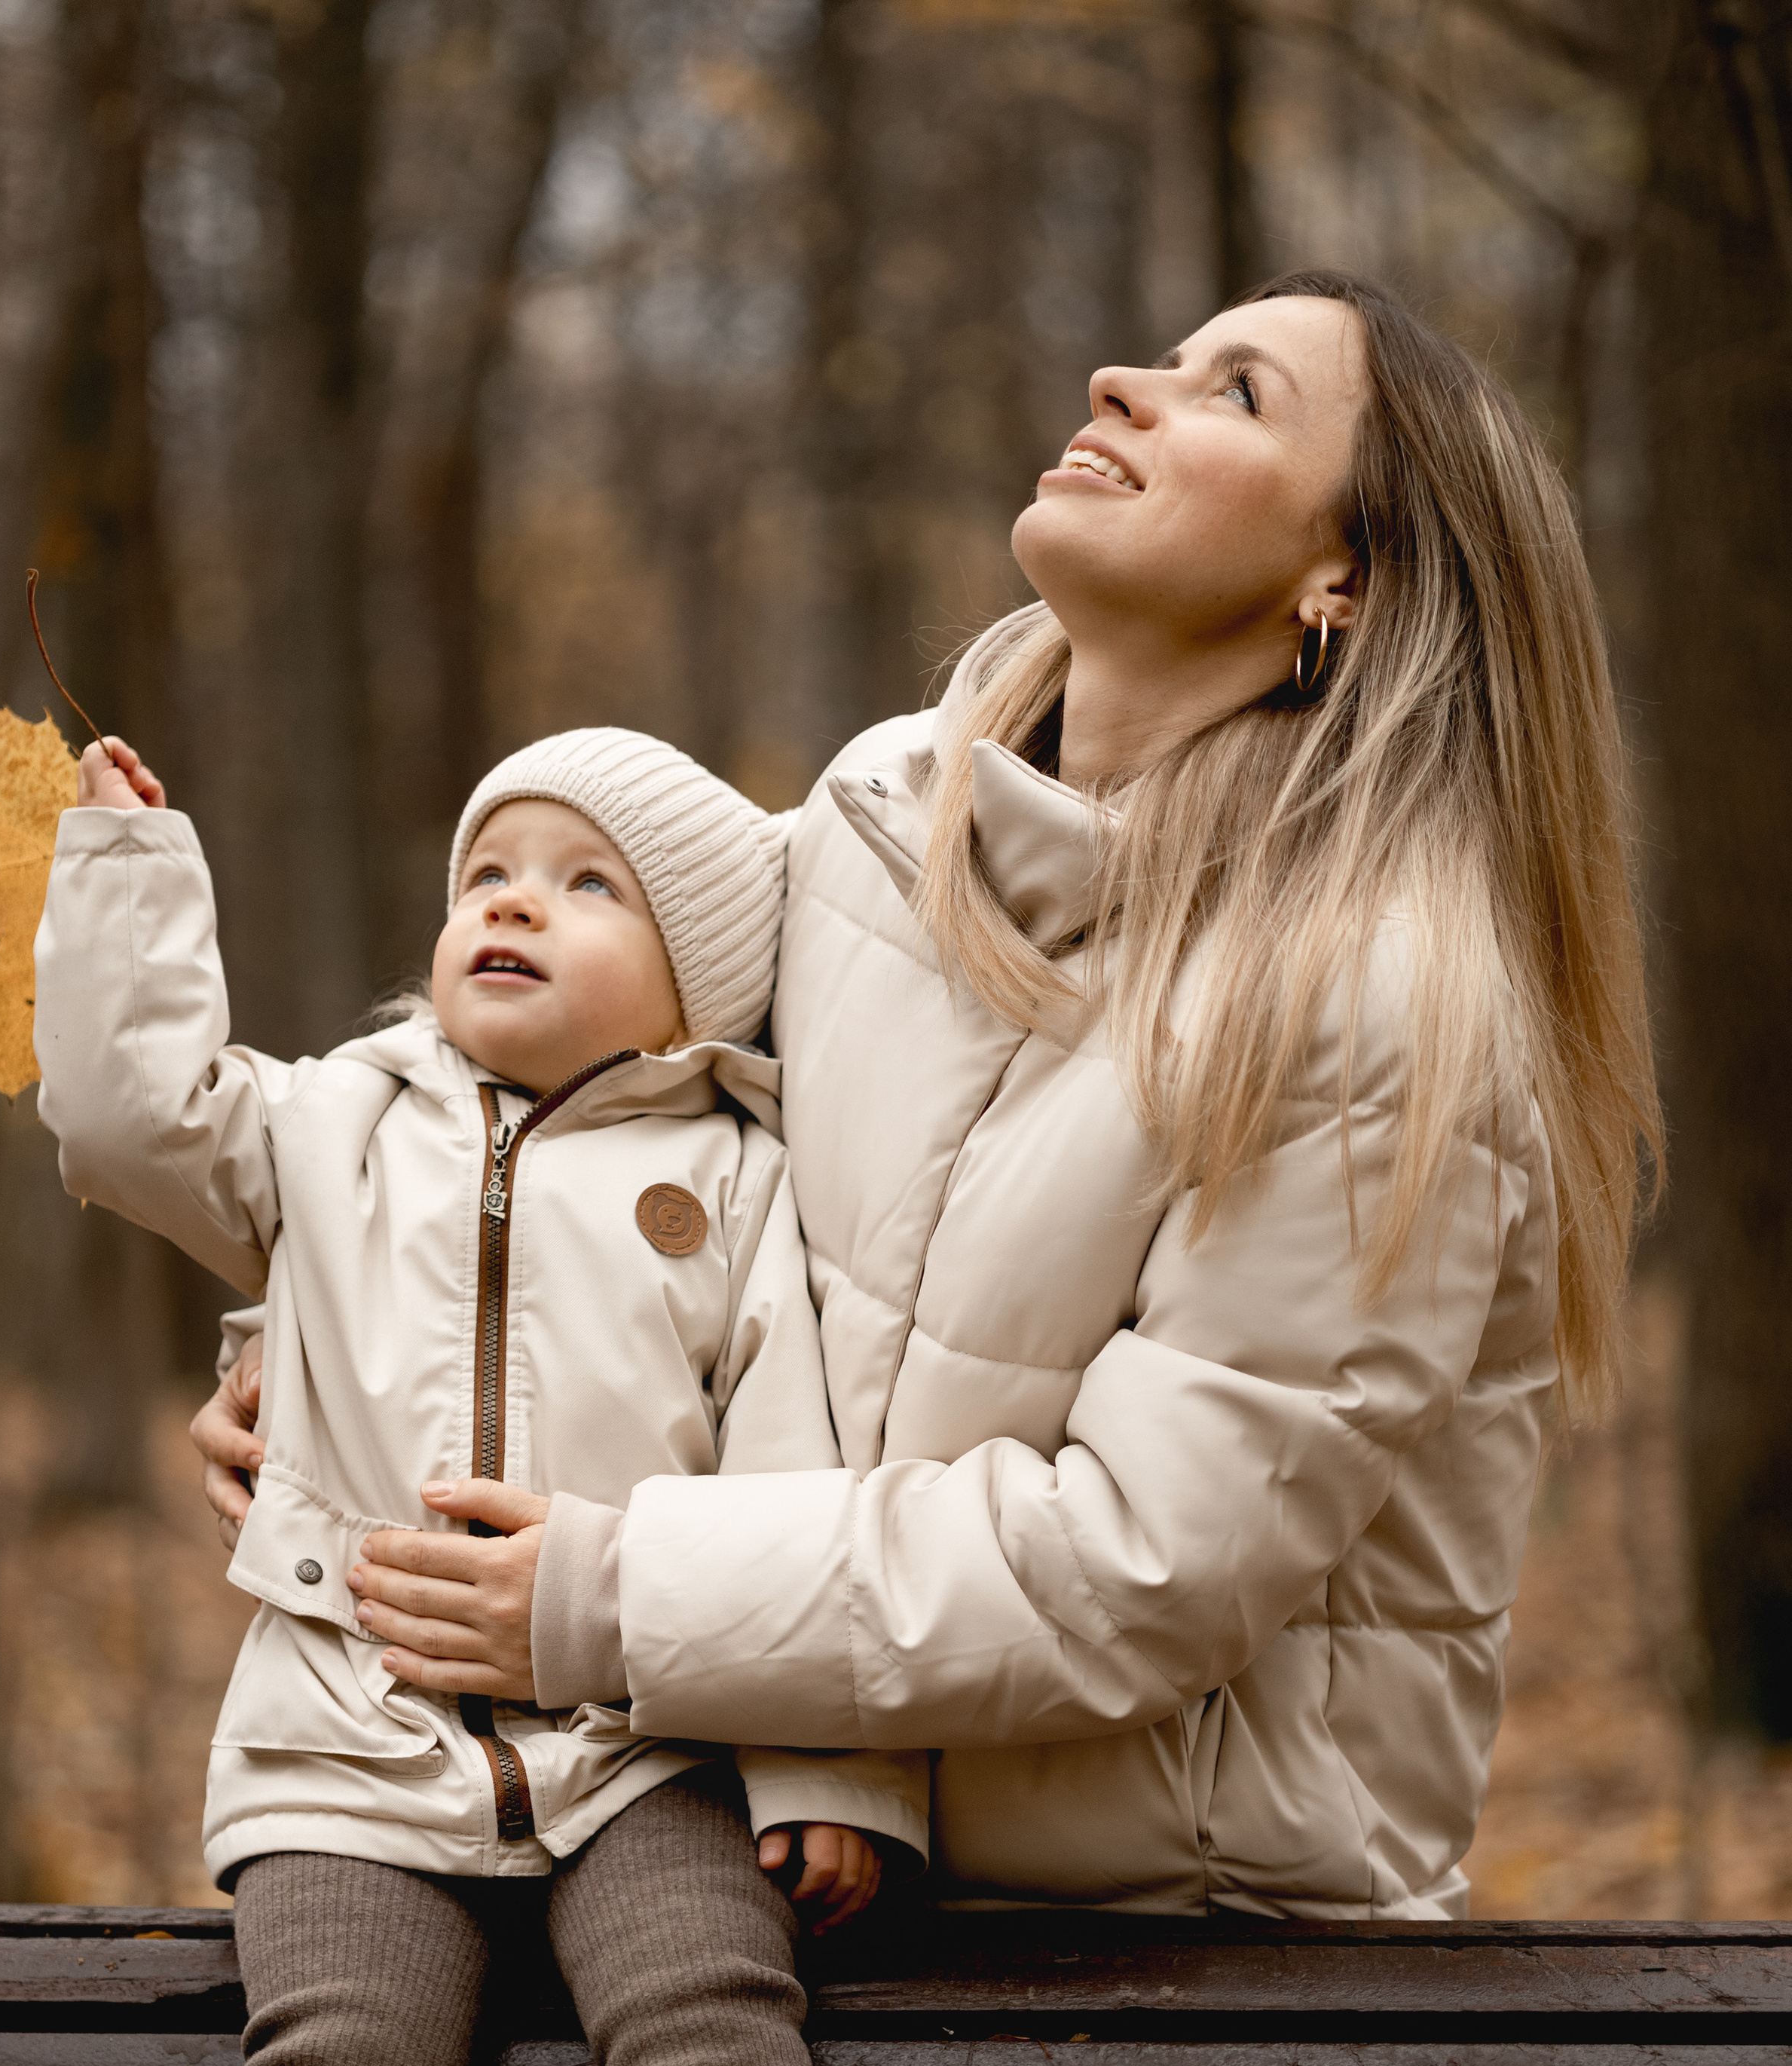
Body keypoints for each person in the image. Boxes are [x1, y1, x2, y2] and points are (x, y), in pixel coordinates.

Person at [198, 271, 1659, 1930]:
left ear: (1347, 576)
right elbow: (590, 1138)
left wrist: (604, 1597)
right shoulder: (871, 825)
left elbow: (1137, 1570)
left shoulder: (1375, 1003)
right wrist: (335, 1353)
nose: (1118, 380)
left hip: (1195, 1968)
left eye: (1233, 393)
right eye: (1160, 362)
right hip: (803, 1879)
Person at [33, 723, 926, 2066]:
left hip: (645, 1732)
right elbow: (122, 1121)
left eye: (584, 880)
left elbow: (800, 1491)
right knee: (338, 2064)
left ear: (698, 977)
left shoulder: (745, 1179)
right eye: (487, 871)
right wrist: (123, 888)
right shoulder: (334, 1124)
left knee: (710, 1999)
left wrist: (829, 1765)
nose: (510, 899)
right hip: (351, 1733)